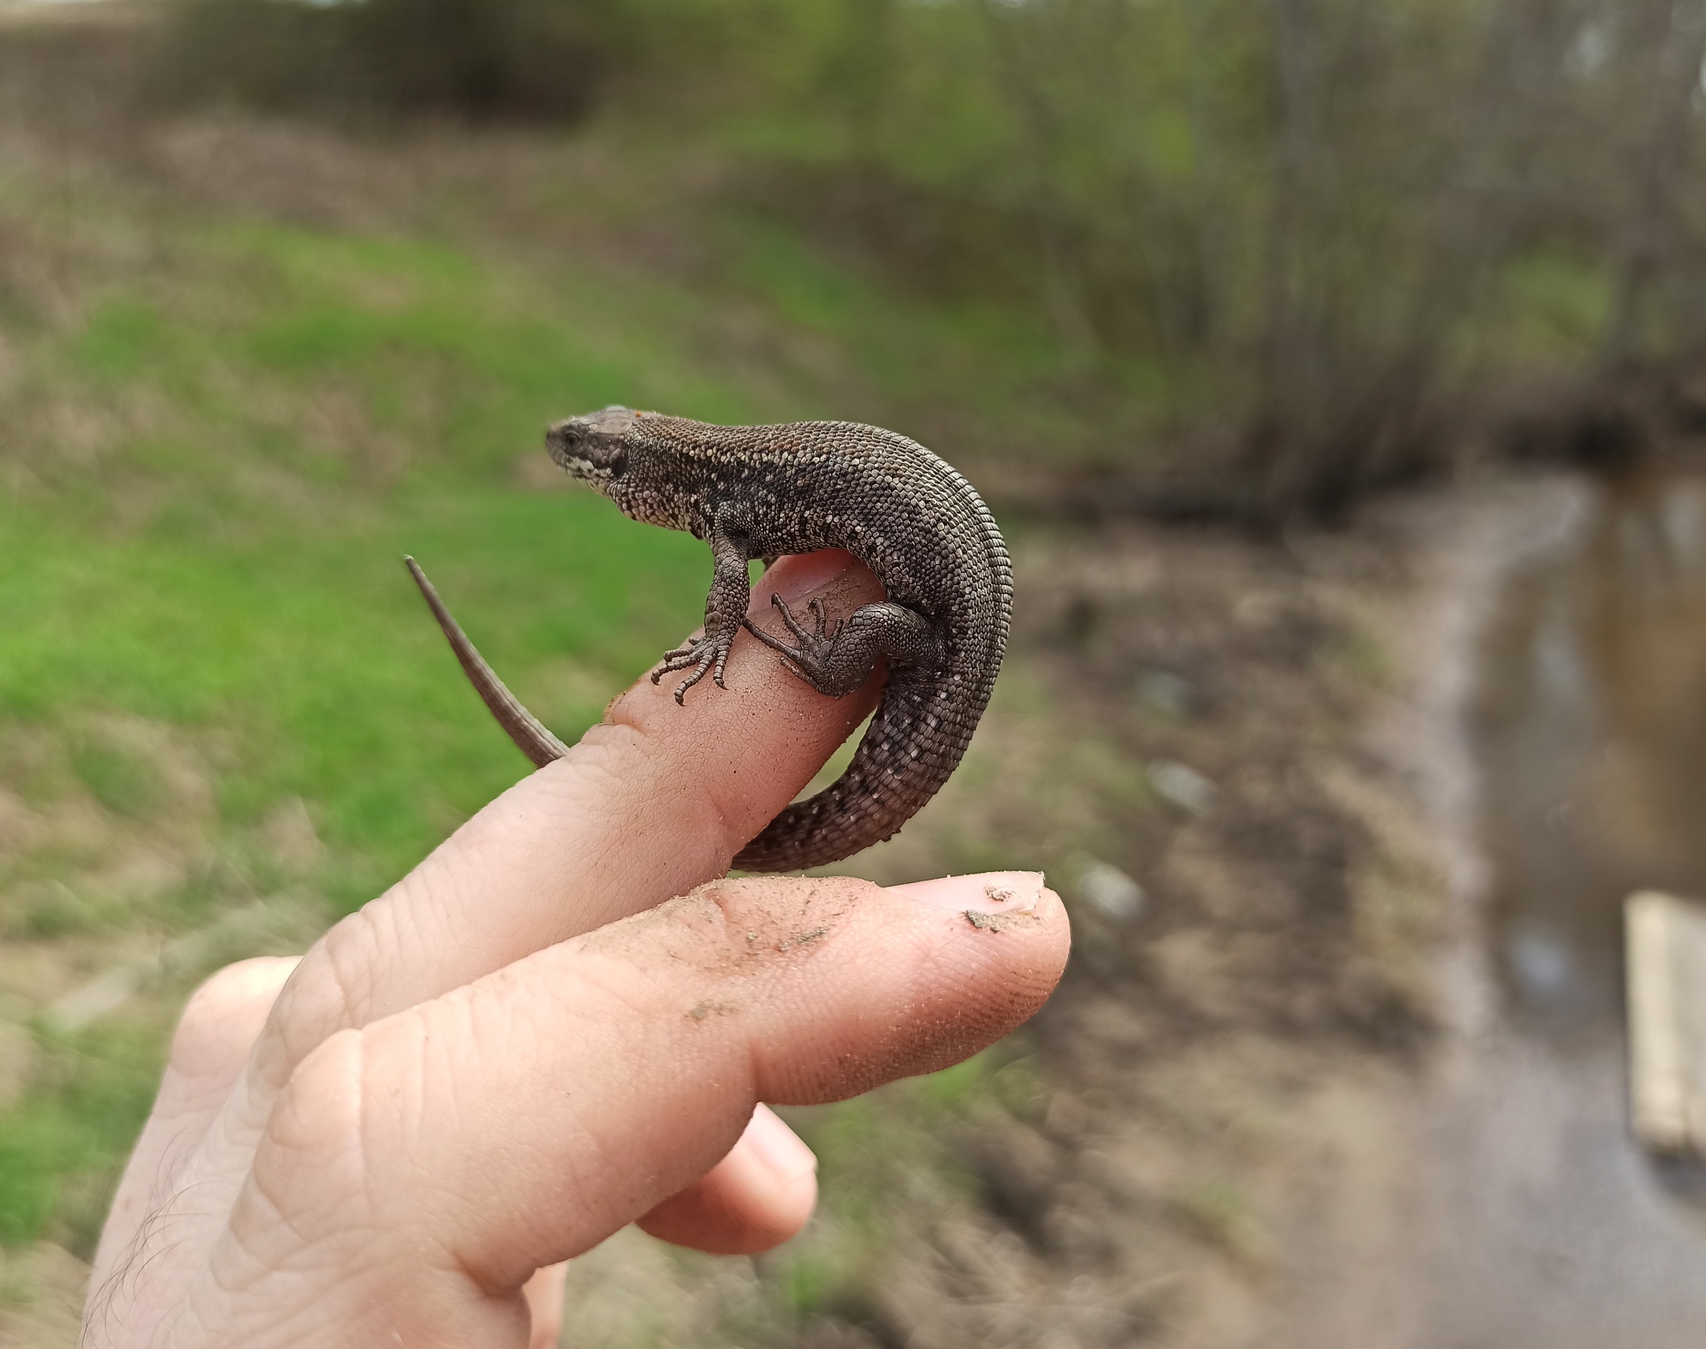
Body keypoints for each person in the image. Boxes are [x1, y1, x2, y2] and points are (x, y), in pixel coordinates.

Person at [82, 548, 1071, 1347]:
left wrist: (805, 656)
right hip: (933, 642)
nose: (573, 462)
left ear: (636, 479)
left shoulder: (735, 516)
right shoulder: (747, 507)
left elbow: (747, 588)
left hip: (935, 647)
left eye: (590, 457)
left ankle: (820, 671)